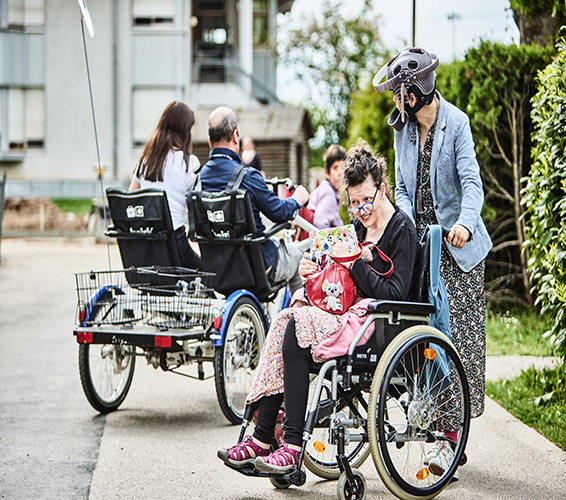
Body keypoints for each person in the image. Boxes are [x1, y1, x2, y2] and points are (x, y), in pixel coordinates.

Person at [217, 140, 419, 474]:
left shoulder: (401, 230)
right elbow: (339, 282)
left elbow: (394, 292)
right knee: (285, 320)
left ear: (382, 190)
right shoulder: (355, 227)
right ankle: (263, 435)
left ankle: (292, 445)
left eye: (367, 201)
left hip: (380, 323)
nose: (361, 211)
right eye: (354, 204)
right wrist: (314, 272)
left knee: (297, 327)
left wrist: (354, 264)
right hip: (346, 316)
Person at [373, 47, 493, 478]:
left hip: (459, 251)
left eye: (398, 92)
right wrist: (405, 225)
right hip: (424, 250)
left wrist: (463, 222)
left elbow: (472, 184)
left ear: (417, 91)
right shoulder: (402, 131)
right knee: (428, 342)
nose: (395, 100)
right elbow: (402, 188)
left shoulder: (456, 124)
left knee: (457, 344)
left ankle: (448, 438)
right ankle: (443, 432)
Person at [199, 107, 309, 292]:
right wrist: (297, 199)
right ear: (236, 136)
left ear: (210, 141)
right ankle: (297, 317)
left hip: (217, 272)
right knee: (298, 257)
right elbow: (279, 212)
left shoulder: (197, 181)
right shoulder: (247, 176)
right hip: (255, 269)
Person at [129, 100, 202, 270]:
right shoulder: (189, 163)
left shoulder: (146, 160)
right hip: (176, 247)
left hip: (147, 247)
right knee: (208, 275)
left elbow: (130, 198)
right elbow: (197, 210)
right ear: (185, 130)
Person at [308, 144, 346, 229]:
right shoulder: (328, 193)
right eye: (336, 168)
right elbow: (320, 223)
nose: (340, 173)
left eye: (343, 167)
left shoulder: (325, 189)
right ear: (327, 173)